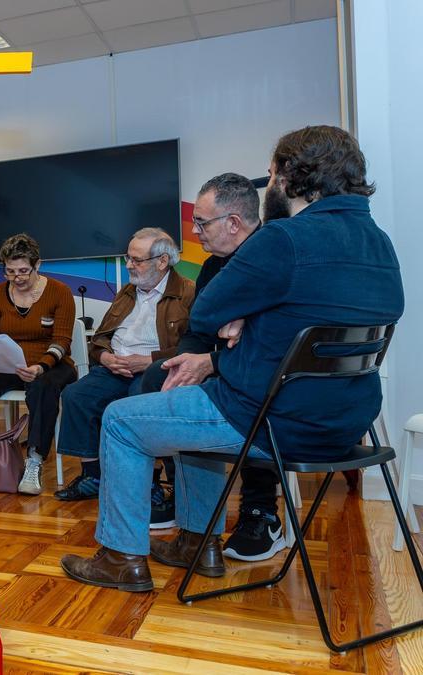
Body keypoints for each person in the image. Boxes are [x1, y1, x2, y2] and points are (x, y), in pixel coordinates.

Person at [60, 125, 404, 592]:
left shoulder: (282, 238)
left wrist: (243, 316)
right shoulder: (378, 241)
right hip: (347, 424)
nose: (269, 185)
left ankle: (121, 558)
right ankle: (197, 543)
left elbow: (206, 311)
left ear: (292, 177)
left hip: (273, 421)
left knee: (121, 419)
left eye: (272, 174)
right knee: (192, 395)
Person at [140, 173, 285, 562]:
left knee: (250, 395)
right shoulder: (211, 268)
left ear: (233, 223)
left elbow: (268, 339)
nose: (194, 230)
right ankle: (188, 508)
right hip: (220, 360)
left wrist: (212, 358)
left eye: (202, 223)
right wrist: (186, 362)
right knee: (161, 376)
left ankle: (261, 511)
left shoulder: (274, 257)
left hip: (260, 371)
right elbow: (198, 331)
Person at [54, 228, 194, 529]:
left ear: (162, 261)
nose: (129, 265)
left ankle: (151, 482)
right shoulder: (127, 292)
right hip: (115, 367)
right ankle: (93, 476)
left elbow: (192, 346)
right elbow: (100, 338)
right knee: (76, 396)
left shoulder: (187, 292)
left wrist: (149, 361)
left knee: (136, 403)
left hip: (157, 370)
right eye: (128, 258)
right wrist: (105, 357)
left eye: (136, 260)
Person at [0, 233, 77, 495]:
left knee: (43, 386)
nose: (17, 278)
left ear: (37, 265)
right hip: (8, 364)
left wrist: (41, 366)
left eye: (23, 271)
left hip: (52, 364)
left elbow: (62, 341)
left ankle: (35, 459)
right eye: (10, 271)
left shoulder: (60, 292)